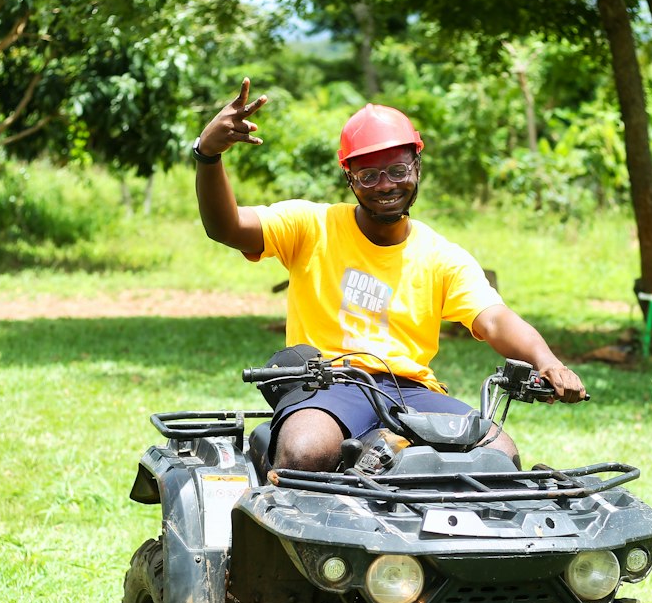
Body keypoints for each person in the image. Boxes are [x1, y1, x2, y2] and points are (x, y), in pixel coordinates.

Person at [193, 78, 587, 472]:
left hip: (412, 392)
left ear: (417, 165)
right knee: (306, 450)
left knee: (497, 453)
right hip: (328, 384)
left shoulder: (441, 255)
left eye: (398, 170)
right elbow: (226, 228)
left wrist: (546, 360)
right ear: (349, 177)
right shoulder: (312, 225)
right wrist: (208, 154)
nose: (386, 186)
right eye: (368, 176)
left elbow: (495, 318)